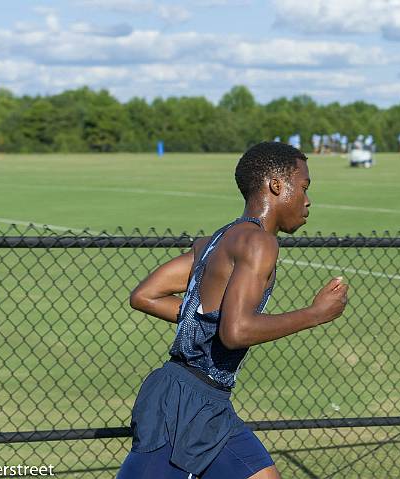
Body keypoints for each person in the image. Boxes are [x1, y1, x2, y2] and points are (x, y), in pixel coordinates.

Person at [117, 142, 349, 479]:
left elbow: (145, 295)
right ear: (276, 186)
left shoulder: (217, 240)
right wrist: (316, 313)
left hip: (199, 397)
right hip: (188, 404)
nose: (308, 199)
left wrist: (200, 320)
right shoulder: (259, 242)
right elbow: (236, 331)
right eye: (304, 187)